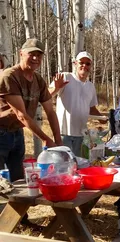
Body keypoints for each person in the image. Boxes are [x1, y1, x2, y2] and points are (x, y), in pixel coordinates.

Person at [0, 38, 62, 182]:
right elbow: (21, 115)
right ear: (21, 54)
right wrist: (46, 139)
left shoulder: (38, 80)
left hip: (17, 133)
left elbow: (50, 111)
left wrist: (58, 141)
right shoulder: (9, 77)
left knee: (18, 181)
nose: (35, 58)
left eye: (39, 55)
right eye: (31, 54)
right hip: (1, 133)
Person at [49, 51, 106, 157]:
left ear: (91, 66)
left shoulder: (91, 86)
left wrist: (102, 118)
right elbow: (46, 95)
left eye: (88, 64)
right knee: (64, 166)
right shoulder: (66, 77)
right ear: (75, 64)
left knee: (79, 165)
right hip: (63, 134)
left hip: (81, 135)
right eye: (81, 63)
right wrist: (57, 87)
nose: (84, 66)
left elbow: (92, 109)